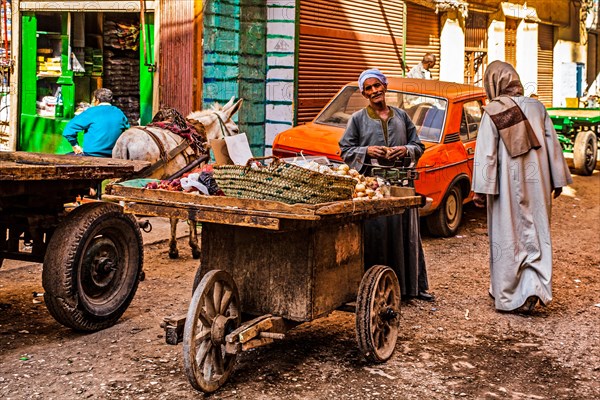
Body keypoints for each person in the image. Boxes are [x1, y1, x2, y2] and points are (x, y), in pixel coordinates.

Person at [472, 60, 573, 314]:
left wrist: (482, 190)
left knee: (508, 237)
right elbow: (553, 146)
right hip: (538, 184)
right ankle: (534, 288)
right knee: (536, 235)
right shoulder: (538, 108)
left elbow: (486, 155)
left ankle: (508, 293)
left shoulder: (493, 111)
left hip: (506, 187)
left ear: (492, 83)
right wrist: (557, 180)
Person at [339, 68, 433, 302]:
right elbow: (345, 151)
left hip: (401, 184)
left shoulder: (401, 116)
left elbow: (418, 146)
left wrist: (406, 150)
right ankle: (376, 291)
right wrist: (367, 151)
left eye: (377, 86)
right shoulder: (358, 119)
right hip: (373, 188)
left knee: (405, 233)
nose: (374, 91)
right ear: (364, 93)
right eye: (368, 88)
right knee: (377, 235)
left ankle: (410, 288)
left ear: (384, 86)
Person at [62, 88, 130, 157]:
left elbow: (68, 131)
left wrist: (75, 146)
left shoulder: (91, 112)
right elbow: (127, 130)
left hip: (91, 155)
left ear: (97, 100)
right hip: (113, 155)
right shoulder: (119, 113)